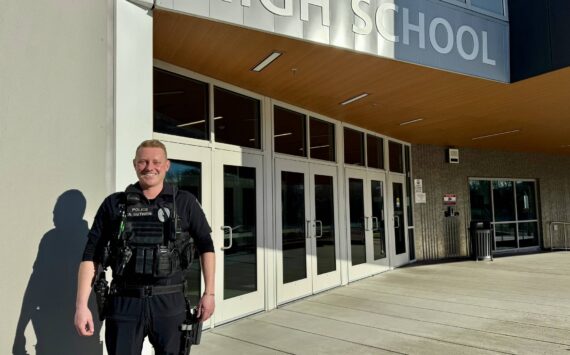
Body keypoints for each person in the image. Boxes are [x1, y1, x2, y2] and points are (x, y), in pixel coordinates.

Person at [74, 139, 215, 355]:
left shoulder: (185, 202)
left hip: (170, 300)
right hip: (125, 302)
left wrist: (210, 293)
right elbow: (91, 255)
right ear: (134, 164)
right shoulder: (114, 204)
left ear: (167, 165)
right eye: (143, 162)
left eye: (156, 162)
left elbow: (206, 246)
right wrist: (81, 306)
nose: (150, 167)